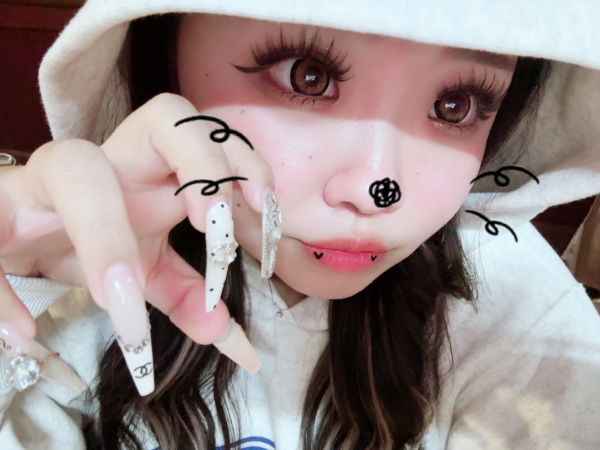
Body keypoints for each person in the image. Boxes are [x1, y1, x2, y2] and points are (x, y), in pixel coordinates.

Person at [1, 1, 600, 449]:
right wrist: (21, 288)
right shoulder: (82, 280)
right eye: (307, 75)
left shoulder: (518, 309)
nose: (375, 188)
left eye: (456, 105)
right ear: (166, 53)